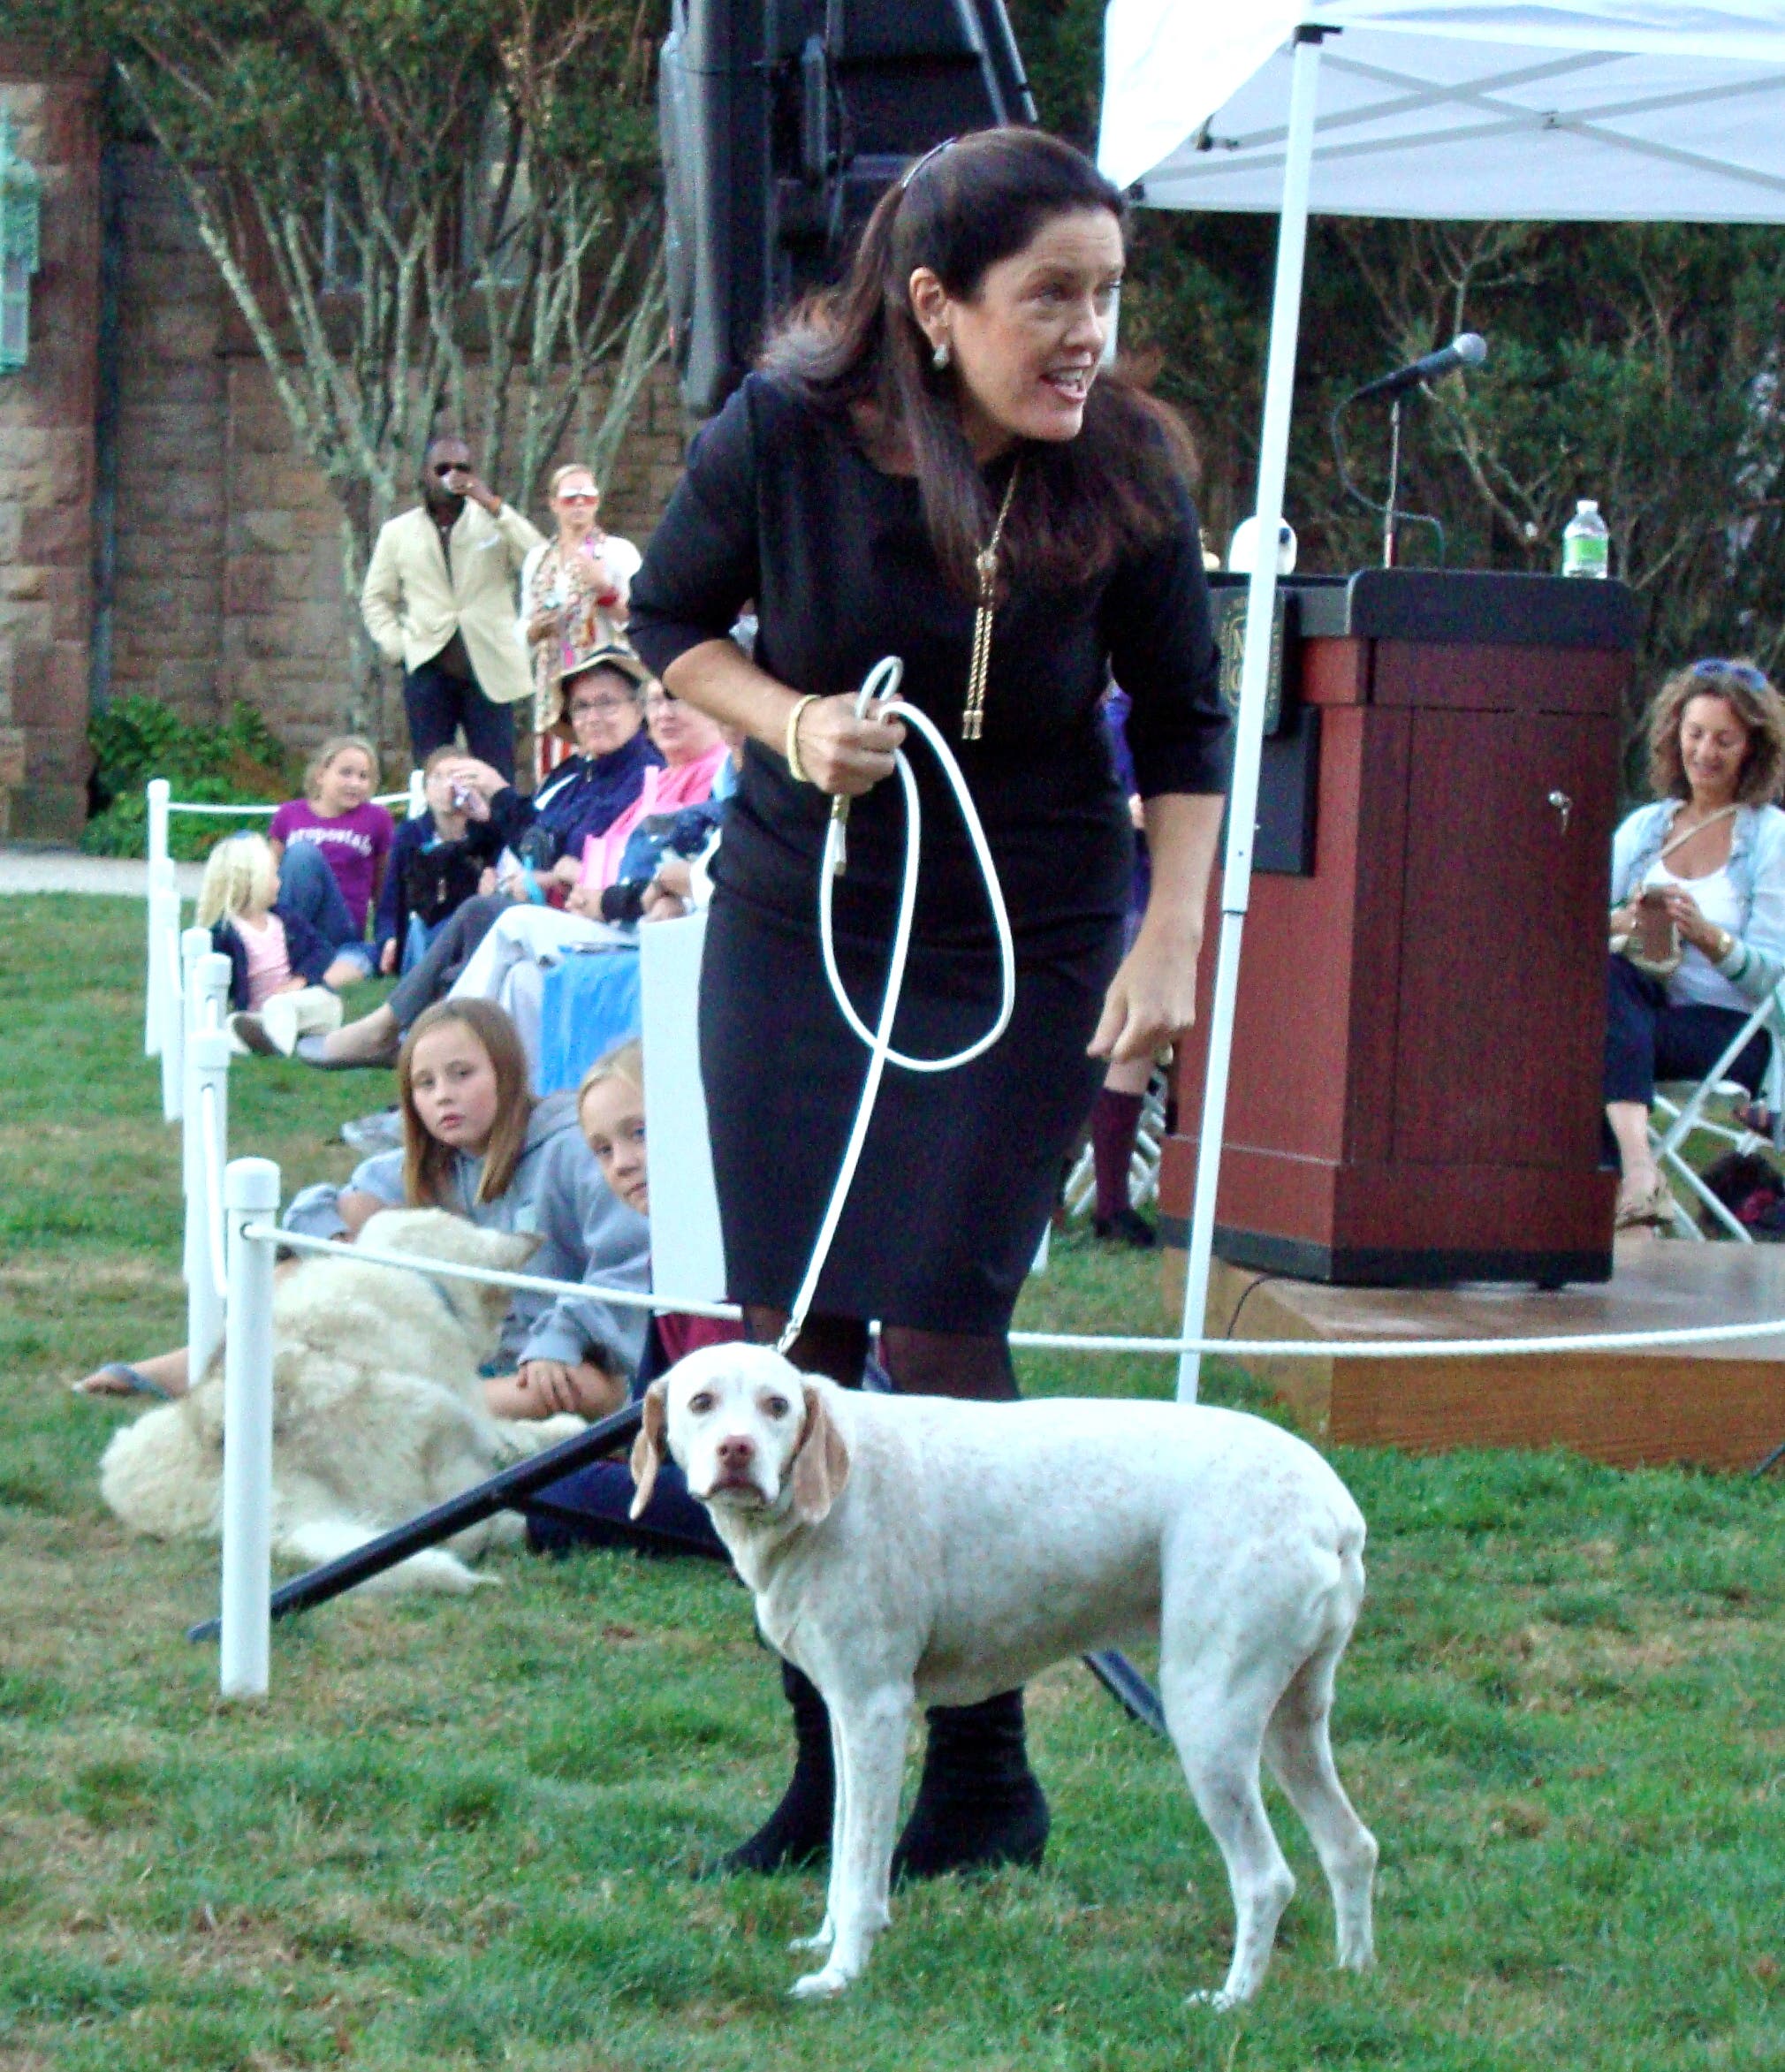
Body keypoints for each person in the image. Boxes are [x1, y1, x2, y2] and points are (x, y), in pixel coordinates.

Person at [627, 127, 1228, 1882]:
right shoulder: (782, 432)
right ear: (934, 305)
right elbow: (668, 618)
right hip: (798, 911)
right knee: (797, 1336)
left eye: (1105, 295)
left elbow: (1185, 720)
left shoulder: (1128, 466)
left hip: (1029, 925)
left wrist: (1171, 941)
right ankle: (833, 1773)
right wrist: (789, 719)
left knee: (948, 1327)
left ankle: (982, 1775)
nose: (1086, 334)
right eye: (1050, 297)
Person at [79, 1003, 651, 1408]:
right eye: (425, 1084)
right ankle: (197, 1366)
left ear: (506, 1072)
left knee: (578, 1390)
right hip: (460, 1342)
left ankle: (401, 1409)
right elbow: (320, 1206)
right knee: (309, 1257)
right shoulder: (433, 1161)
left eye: (462, 1074)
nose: (444, 1095)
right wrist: (339, 1247)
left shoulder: (578, 1149)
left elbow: (628, 1268)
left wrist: (561, 1337)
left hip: (557, 1355)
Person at [295, 650, 665, 1069]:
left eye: (607, 703)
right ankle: (421, 1053)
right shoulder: (573, 774)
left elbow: (560, 851)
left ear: (638, 710)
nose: (593, 717)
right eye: (581, 706)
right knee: (468, 909)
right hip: (535, 902)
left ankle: (400, 1036)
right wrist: (483, 819)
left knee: (482, 913)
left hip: (592, 914)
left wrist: (501, 795)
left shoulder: (645, 776)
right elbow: (533, 837)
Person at [522, 1041, 740, 1560]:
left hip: (750, 1478)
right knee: (548, 1479)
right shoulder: (667, 1256)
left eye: (639, 1133)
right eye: (602, 1150)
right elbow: (649, 1413)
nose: (622, 1163)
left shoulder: (733, 1242)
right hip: (699, 1464)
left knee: (555, 1497)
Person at [1606, 657, 1785, 1229]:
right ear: (1673, 736)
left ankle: (1625, 1184)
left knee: (1597, 1040)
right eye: (1695, 734)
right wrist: (1628, 922)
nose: (1705, 752)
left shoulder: (1771, 838)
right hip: (1644, 1012)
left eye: (1724, 740)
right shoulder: (1645, 829)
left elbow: (1775, 980)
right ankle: (1636, 1179)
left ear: (1753, 749)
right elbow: (1585, 928)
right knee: (1605, 998)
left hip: (1735, 1032)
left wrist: (1709, 937)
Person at [360, 433, 542, 780]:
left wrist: (494, 505)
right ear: (424, 474)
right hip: (429, 668)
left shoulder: (493, 520)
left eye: (463, 468)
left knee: (497, 774)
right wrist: (399, 648)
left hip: (489, 667)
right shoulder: (398, 532)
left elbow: (539, 561)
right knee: (432, 774)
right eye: (442, 468)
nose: (453, 475)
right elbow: (376, 598)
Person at [519, 463, 644, 780]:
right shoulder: (538, 560)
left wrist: (604, 591)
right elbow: (524, 626)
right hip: (555, 684)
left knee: (609, 772)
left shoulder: (617, 553)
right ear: (554, 504)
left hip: (604, 682)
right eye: (570, 496)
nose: (579, 503)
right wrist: (535, 630)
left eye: (587, 496)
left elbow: (641, 621)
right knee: (557, 776)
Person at [195, 832, 345, 1059]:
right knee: (235, 1022)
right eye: (274, 876)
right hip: (260, 1013)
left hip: (301, 1002)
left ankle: (270, 1043)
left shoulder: (284, 919)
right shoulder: (224, 934)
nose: (280, 883)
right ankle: (271, 1044)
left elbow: (321, 949)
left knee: (314, 1005)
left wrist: (300, 980)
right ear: (252, 883)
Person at [269, 735, 394, 983]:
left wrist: (387, 938)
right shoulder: (289, 814)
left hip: (339, 927)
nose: (355, 783)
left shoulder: (377, 819)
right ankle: (280, 953)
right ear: (320, 774)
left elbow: (384, 888)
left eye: (364, 776)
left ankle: (296, 963)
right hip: (291, 920)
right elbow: (268, 876)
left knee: (304, 854)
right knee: (299, 855)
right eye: (346, 773)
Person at [371, 746, 506, 975]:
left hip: (469, 930)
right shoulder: (410, 835)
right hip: (422, 929)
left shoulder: (488, 834)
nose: (447, 786)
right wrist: (389, 938)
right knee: (420, 924)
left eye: (456, 777)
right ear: (425, 790)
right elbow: (390, 901)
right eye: (437, 778)